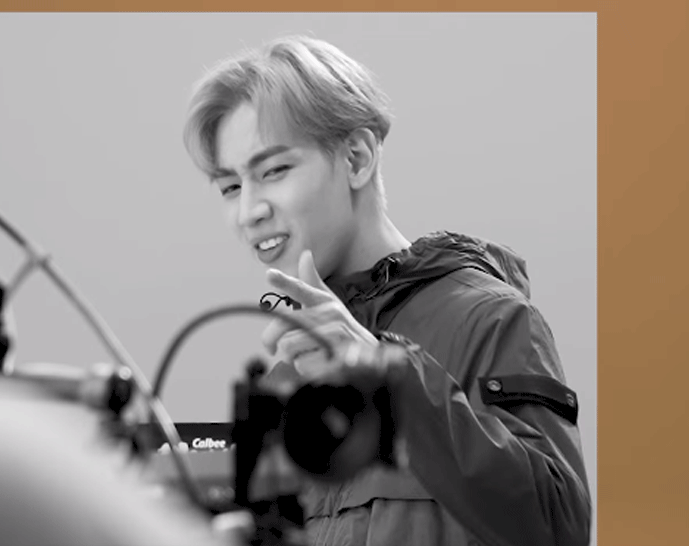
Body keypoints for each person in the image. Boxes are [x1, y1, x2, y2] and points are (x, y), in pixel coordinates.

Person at [182, 35, 592, 546]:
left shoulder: (490, 319)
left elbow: (559, 527)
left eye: (274, 171)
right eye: (231, 187)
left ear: (357, 158)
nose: (249, 212)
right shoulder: (289, 374)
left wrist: (385, 375)